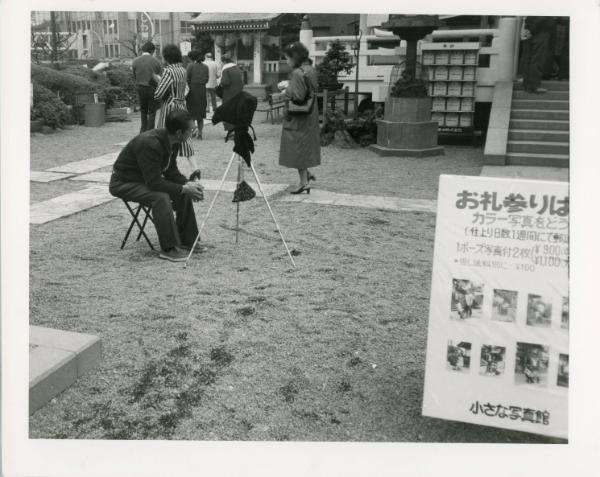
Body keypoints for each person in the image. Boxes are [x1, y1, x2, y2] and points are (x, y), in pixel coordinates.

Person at [109, 110, 205, 262]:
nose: (192, 133)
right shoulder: (150, 143)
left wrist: (189, 185)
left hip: (143, 180)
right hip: (124, 182)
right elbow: (154, 183)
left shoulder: (174, 141)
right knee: (160, 197)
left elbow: (171, 172)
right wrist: (183, 188)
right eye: (191, 130)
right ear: (179, 132)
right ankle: (169, 248)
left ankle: (187, 239)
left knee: (183, 191)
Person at [277, 42, 321, 194]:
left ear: (295, 57)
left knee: (297, 148)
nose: (287, 62)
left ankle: (304, 182)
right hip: (310, 115)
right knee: (303, 147)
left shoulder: (297, 73)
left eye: (288, 58)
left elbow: (298, 97)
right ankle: (306, 175)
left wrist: (286, 92)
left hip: (298, 116)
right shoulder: (310, 70)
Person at [154, 44, 198, 178]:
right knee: (185, 136)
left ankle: (164, 166)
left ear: (167, 57)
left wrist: (158, 82)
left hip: (170, 107)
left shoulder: (168, 71)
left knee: (165, 136)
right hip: (181, 105)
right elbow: (186, 89)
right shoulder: (182, 70)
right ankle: (195, 167)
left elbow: (158, 94)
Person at [132, 41, 162, 132]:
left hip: (140, 88)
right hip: (152, 88)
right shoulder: (156, 61)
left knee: (143, 110)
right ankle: (150, 131)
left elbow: (134, 76)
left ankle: (143, 130)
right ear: (152, 51)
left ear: (143, 50)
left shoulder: (135, 61)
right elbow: (160, 78)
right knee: (152, 111)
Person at [521, 16, 555, 94]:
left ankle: (527, 85)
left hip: (530, 28)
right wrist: (532, 30)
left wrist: (529, 29)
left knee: (529, 58)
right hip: (540, 31)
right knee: (537, 59)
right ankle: (534, 86)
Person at [186, 50, 209, 140]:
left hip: (192, 90)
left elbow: (187, 78)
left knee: (191, 113)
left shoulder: (190, 66)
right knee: (200, 113)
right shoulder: (206, 67)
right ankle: (200, 133)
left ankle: (193, 130)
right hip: (202, 90)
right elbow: (207, 79)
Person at [218, 55, 244, 130]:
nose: (221, 63)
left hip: (229, 94)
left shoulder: (226, 69)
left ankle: (231, 131)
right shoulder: (237, 68)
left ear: (224, 61)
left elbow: (225, 82)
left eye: (221, 62)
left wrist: (220, 82)